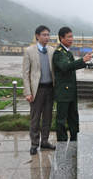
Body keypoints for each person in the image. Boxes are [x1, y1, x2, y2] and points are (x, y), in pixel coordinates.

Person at [53, 27, 92, 141]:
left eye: (72, 36)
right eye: (69, 37)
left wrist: (81, 61)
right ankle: (62, 142)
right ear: (61, 38)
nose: (71, 39)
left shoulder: (68, 52)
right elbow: (66, 67)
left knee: (74, 118)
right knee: (61, 119)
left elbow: (71, 65)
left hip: (71, 92)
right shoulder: (58, 52)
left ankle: (75, 140)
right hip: (63, 92)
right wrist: (82, 60)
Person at [23, 25, 56, 155]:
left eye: (48, 34)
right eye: (44, 35)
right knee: (35, 118)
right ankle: (34, 144)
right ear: (37, 36)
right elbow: (26, 74)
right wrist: (28, 92)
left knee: (48, 117)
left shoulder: (52, 50)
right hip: (37, 90)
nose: (47, 37)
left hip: (50, 89)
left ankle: (45, 141)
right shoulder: (29, 51)